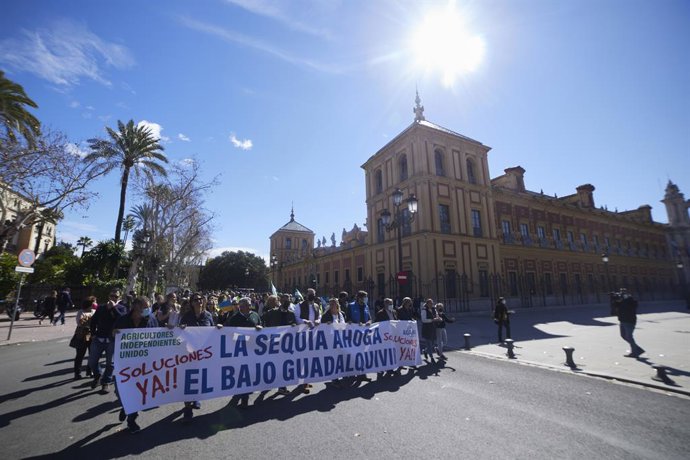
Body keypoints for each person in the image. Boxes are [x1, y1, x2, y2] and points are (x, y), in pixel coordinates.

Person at [113, 295, 158, 433]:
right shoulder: (122, 320)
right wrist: (114, 334)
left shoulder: (151, 319)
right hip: (124, 364)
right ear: (135, 306)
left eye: (148, 306)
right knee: (120, 390)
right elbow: (114, 336)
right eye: (145, 307)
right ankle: (125, 406)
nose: (147, 309)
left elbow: (158, 336)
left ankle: (131, 420)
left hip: (144, 364)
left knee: (137, 391)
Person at [179, 293, 214, 422]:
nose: (199, 301)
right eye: (196, 300)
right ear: (191, 303)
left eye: (201, 299)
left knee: (200, 378)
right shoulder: (186, 317)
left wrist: (219, 329)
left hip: (204, 354)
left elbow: (213, 332)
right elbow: (179, 335)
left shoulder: (208, 316)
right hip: (189, 354)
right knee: (189, 380)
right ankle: (187, 409)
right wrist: (180, 329)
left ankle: (197, 398)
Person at [223, 297, 262, 408]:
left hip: (253, 349)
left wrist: (260, 328)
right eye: (247, 304)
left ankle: (246, 392)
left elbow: (261, 327)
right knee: (242, 373)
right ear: (241, 306)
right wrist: (244, 338)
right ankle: (244, 396)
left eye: (250, 304)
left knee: (250, 372)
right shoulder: (234, 318)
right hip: (240, 350)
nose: (250, 306)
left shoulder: (255, 315)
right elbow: (230, 334)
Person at [89, 289, 123, 392]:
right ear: (109, 296)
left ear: (119, 298)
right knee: (92, 361)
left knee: (110, 363)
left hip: (111, 340)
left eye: (116, 297)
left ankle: (106, 382)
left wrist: (113, 308)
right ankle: (98, 374)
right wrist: (93, 333)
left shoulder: (121, 308)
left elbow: (121, 319)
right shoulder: (101, 307)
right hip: (99, 338)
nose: (113, 298)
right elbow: (93, 320)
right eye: (112, 296)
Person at [262, 293, 297, 395]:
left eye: (289, 299)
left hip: (285, 346)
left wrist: (294, 326)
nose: (288, 301)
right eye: (285, 299)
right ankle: (268, 382)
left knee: (283, 366)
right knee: (272, 364)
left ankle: (282, 387)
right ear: (281, 301)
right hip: (273, 344)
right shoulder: (272, 312)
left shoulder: (291, 314)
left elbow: (294, 327)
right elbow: (262, 321)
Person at [348, 291, 373, 382]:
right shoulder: (351, 306)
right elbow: (348, 319)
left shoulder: (366, 306)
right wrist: (354, 323)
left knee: (363, 353)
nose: (366, 299)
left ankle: (363, 374)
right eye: (364, 297)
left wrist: (369, 322)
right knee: (355, 353)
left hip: (364, 333)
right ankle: (352, 372)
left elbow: (369, 318)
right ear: (359, 298)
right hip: (354, 334)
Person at [616, 289, 645, 358]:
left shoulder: (632, 301)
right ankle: (638, 349)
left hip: (629, 321)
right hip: (622, 320)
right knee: (623, 336)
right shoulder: (621, 301)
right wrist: (615, 299)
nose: (622, 295)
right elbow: (614, 307)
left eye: (624, 294)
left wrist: (627, 299)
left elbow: (631, 306)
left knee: (629, 336)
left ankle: (635, 353)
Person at [72, 298, 94, 379]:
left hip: (89, 334)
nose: (93, 305)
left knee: (91, 353)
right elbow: (80, 322)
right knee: (80, 354)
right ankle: (77, 373)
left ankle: (90, 370)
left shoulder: (93, 311)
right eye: (92, 304)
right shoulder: (81, 312)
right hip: (82, 334)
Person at [420, 298, 441, 363]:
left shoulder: (434, 309)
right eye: (430, 303)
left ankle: (425, 351)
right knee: (429, 342)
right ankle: (431, 357)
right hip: (427, 328)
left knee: (432, 343)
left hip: (433, 328)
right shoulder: (424, 310)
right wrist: (432, 320)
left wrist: (438, 319)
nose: (432, 304)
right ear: (427, 303)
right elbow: (423, 320)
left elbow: (437, 315)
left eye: (432, 303)